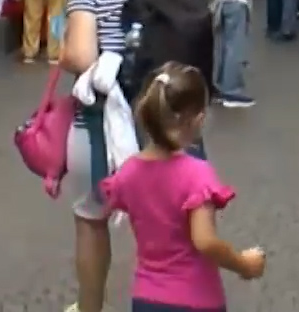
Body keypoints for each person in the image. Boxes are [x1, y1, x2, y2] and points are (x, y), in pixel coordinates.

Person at [99, 64, 266, 312]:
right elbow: (204, 241)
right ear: (199, 119)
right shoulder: (196, 174)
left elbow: (110, 207)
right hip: (196, 298)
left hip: (146, 297)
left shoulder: (129, 172)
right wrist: (243, 264)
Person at [61, 0, 154, 312]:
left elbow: (81, 55)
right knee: (164, 225)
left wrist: (61, 52)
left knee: (91, 220)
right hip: (157, 122)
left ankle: (90, 307)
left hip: (100, 124)